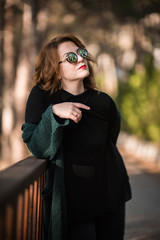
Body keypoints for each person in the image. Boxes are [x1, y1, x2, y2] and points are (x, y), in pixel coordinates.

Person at [22, 33, 131, 240]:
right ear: (55, 68)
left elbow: (111, 136)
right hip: (72, 203)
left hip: (110, 193)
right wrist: (53, 114)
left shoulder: (103, 101)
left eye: (81, 53)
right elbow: (36, 146)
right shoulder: (41, 97)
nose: (80, 59)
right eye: (71, 57)